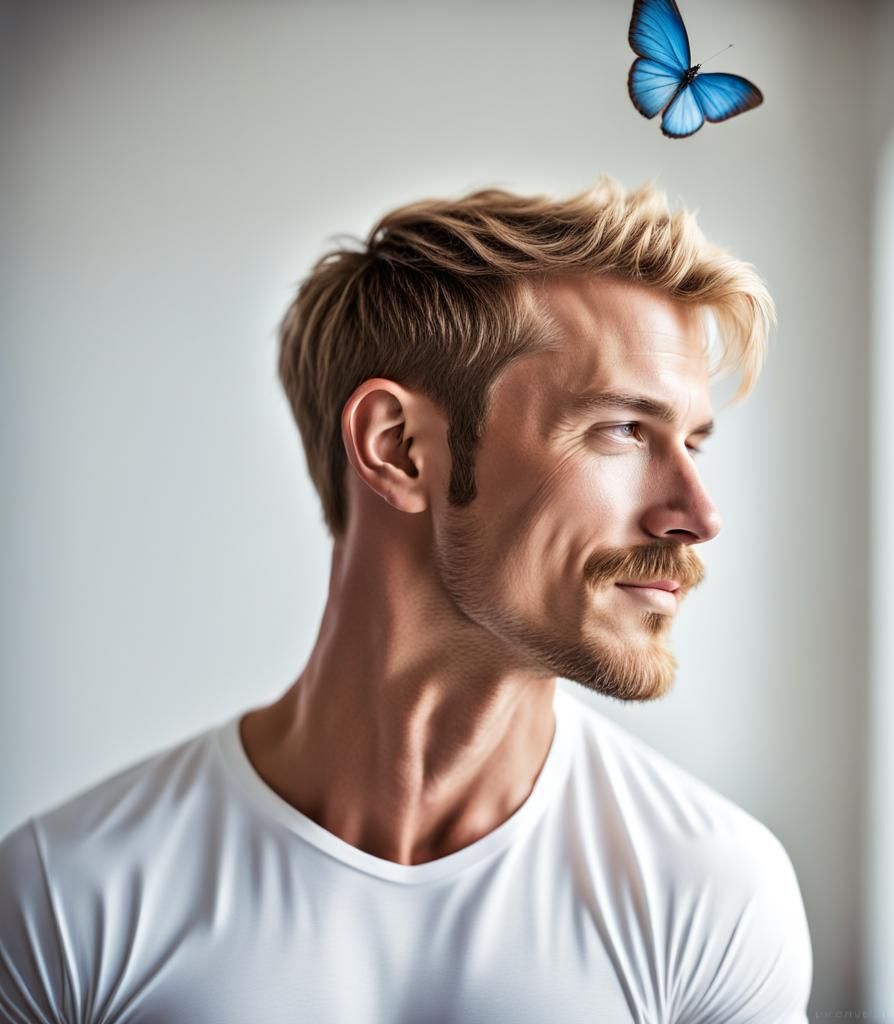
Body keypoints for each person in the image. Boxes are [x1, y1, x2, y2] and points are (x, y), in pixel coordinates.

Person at [0, 176, 813, 1022]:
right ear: (399, 450)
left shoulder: (712, 895)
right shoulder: (65, 904)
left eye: (692, 443)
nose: (697, 515)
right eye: (623, 430)